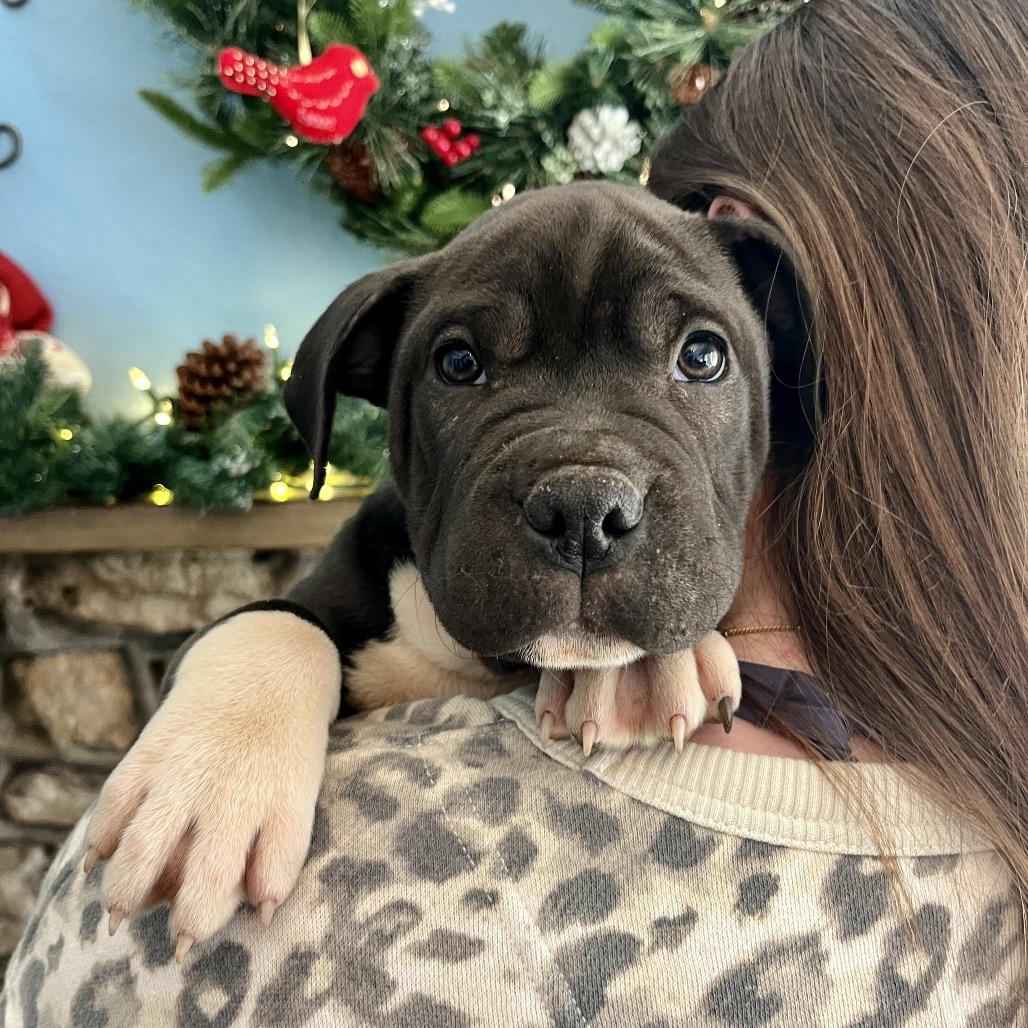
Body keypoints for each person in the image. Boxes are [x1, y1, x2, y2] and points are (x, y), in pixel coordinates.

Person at [4, 0, 1026, 1023]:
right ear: (367, 378)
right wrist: (251, 685)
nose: (584, 489)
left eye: (696, 354)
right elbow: (301, 623)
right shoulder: (379, 568)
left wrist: (661, 626)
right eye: (464, 362)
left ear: (784, 345)